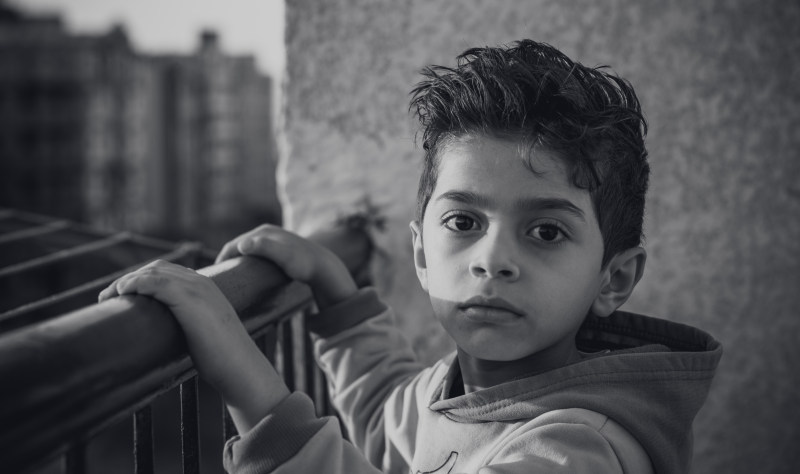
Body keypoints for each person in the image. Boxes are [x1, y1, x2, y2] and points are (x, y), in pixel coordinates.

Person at [99, 40, 722, 473]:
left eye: (546, 233)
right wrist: (335, 294)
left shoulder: (578, 449)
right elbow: (385, 412)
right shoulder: (454, 392)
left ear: (613, 280)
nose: (491, 259)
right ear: (420, 252)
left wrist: (243, 376)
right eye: (462, 221)